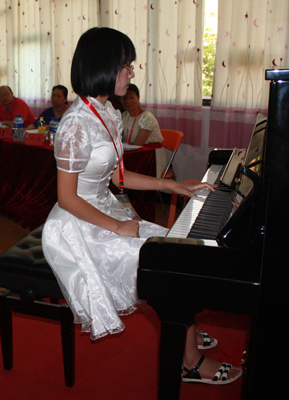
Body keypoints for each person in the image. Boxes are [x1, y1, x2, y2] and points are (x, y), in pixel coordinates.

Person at [41, 27, 242, 385]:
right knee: (169, 265)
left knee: (174, 249)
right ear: (103, 66)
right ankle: (189, 362)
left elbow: (117, 176)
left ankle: (181, 326)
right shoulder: (75, 124)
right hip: (76, 225)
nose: (131, 72)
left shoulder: (106, 111)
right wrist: (119, 227)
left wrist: (172, 184)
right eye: (125, 65)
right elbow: (67, 198)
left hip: (104, 211)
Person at [121, 84, 166, 178]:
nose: (127, 101)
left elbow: (138, 144)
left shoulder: (146, 117)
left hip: (151, 155)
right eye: (124, 98)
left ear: (138, 98)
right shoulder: (124, 115)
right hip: (135, 153)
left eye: (131, 98)